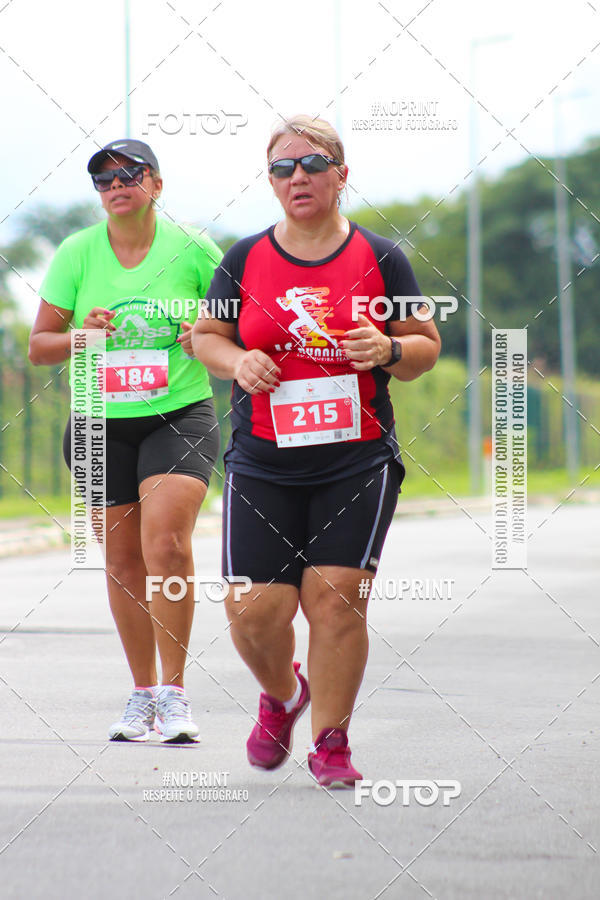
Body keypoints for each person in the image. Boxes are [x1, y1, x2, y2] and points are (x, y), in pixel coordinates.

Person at [192, 116, 441, 786]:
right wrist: (239, 361)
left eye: (311, 164)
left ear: (340, 174)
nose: (297, 177)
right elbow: (206, 336)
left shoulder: (380, 256)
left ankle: (332, 739)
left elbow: (424, 346)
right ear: (271, 182)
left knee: (336, 597)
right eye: (282, 168)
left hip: (355, 458)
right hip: (263, 458)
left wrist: (388, 349)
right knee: (253, 609)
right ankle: (282, 695)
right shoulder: (243, 258)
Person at [29, 139, 222, 743]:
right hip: (97, 420)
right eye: (103, 179)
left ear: (156, 185)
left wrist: (206, 334)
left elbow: (243, 321)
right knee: (122, 560)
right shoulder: (76, 253)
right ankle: (142, 696)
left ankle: (176, 692)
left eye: (130, 174)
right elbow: (40, 347)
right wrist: (82, 335)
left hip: (178, 412)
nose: (116, 185)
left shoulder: (192, 247)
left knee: (166, 543)